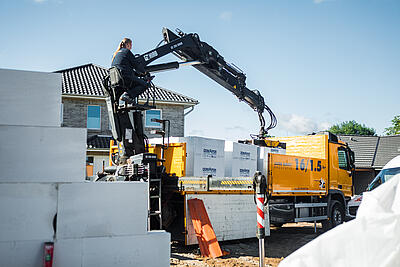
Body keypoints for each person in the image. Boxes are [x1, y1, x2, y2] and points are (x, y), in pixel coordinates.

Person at [111, 38, 149, 104]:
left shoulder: (116, 54)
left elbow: (124, 68)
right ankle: (127, 95)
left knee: (136, 82)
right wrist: (144, 72)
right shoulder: (127, 52)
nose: (131, 47)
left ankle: (124, 99)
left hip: (118, 79)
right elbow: (136, 65)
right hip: (126, 78)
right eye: (131, 45)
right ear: (128, 44)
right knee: (145, 84)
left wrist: (139, 74)